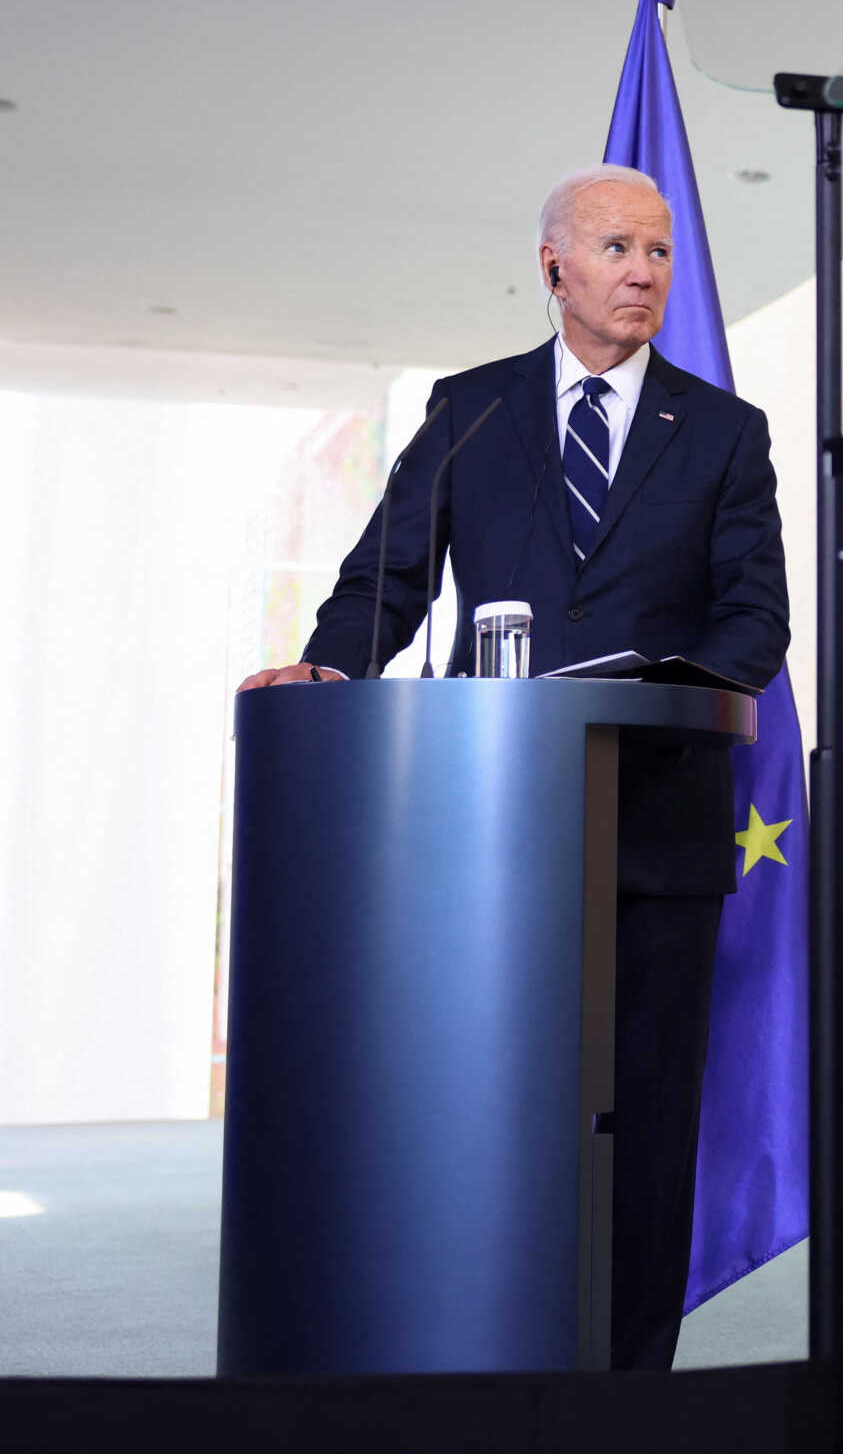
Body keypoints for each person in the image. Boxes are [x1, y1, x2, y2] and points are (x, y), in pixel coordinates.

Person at [238, 163, 789, 1369]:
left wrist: (667, 686)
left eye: (656, 251)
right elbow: (386, 573)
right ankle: (485, 1353)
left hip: (654, 827)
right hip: (485, 834)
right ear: (554, 266)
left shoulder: (723, 433)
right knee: (488, 1108)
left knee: (644, 1126)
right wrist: (329, 669)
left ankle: (630, 1381)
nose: (642, 272)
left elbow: (755, 621)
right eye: (614, 248)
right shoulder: (470, 409)